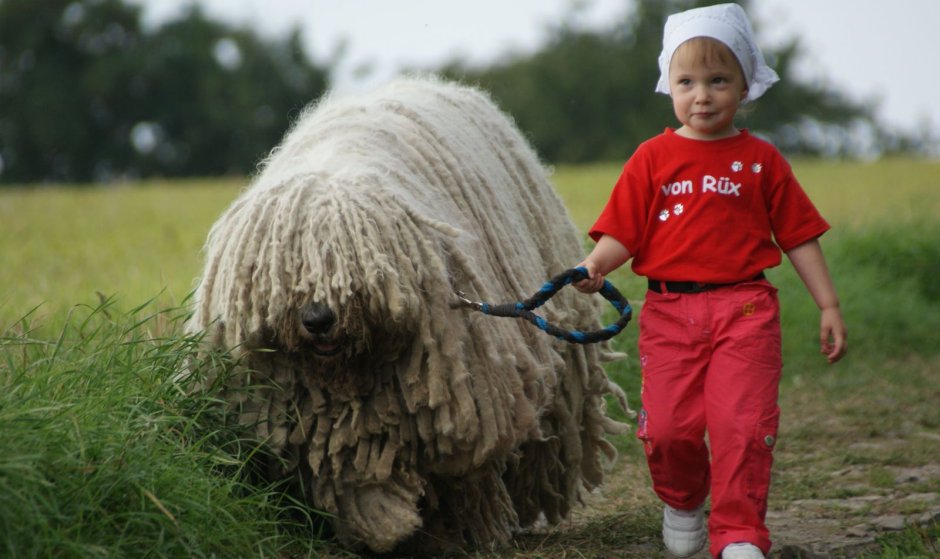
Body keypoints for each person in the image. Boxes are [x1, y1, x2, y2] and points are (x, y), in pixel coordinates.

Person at [573, 3, 847, 559]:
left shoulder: (762, 160)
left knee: (742, 428)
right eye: (688, 81)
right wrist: (594, 265)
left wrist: (829, 305)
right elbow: (624, 231)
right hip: (670, 316)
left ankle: (740, 532)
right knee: (669, 431)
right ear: (668, 86)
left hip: (746, 312)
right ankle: (682, 499)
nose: (702, 95)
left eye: (718, 80)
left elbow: (797, 236)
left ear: (744, 86)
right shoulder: (652, 158)